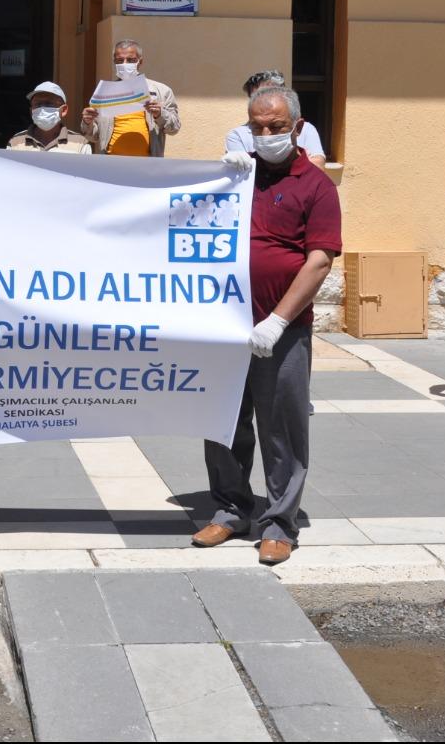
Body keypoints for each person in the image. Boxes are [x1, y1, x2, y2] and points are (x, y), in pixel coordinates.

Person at [192, 86, 341, 566]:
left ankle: (279, 524)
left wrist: (278, 320)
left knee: (282, 429)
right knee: (222, 423)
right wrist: (215, 182)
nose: (265, 134)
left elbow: (319, 261)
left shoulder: (317, 186)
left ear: (297, 128)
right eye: (256, 126)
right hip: (225, 326)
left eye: (275, 127)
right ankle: (231, 509)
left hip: (281, 330)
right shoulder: (237, 177)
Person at [80, 38, 182, 156]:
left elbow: (174, 128)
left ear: (140, 61)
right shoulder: (105, 93)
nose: (125, 64)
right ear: (114, 62)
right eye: (120, 60)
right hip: (111, 163)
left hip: (147, 164)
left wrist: (160, 114)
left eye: (130, 60)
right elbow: (94, 136)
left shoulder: (161, 91)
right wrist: (87, 122)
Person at [225, 70, 328, 168]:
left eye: (271, 93)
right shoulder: (237, 135)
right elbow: (241, 172)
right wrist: (300, 161)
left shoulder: (306, 129)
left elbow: (317, 166)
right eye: (258, 95)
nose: (265, 100)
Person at [6, 81, 92, 153]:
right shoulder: (16, 142)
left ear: (64, 110)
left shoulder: (80, 144)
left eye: (49, 104)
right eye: (38, 104)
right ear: (31, 111)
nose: (42, 108)